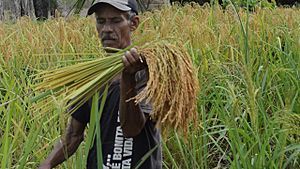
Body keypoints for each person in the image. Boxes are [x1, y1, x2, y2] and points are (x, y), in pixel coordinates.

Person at [38, 0, 162, 168]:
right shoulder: (92, 77)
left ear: (133, 23)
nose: (107, 29)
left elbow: (131, 129)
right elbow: (73, 136)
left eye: (116, 20)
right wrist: (44, 166)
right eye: (101, 21)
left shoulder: (150, 72)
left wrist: (127, 78)